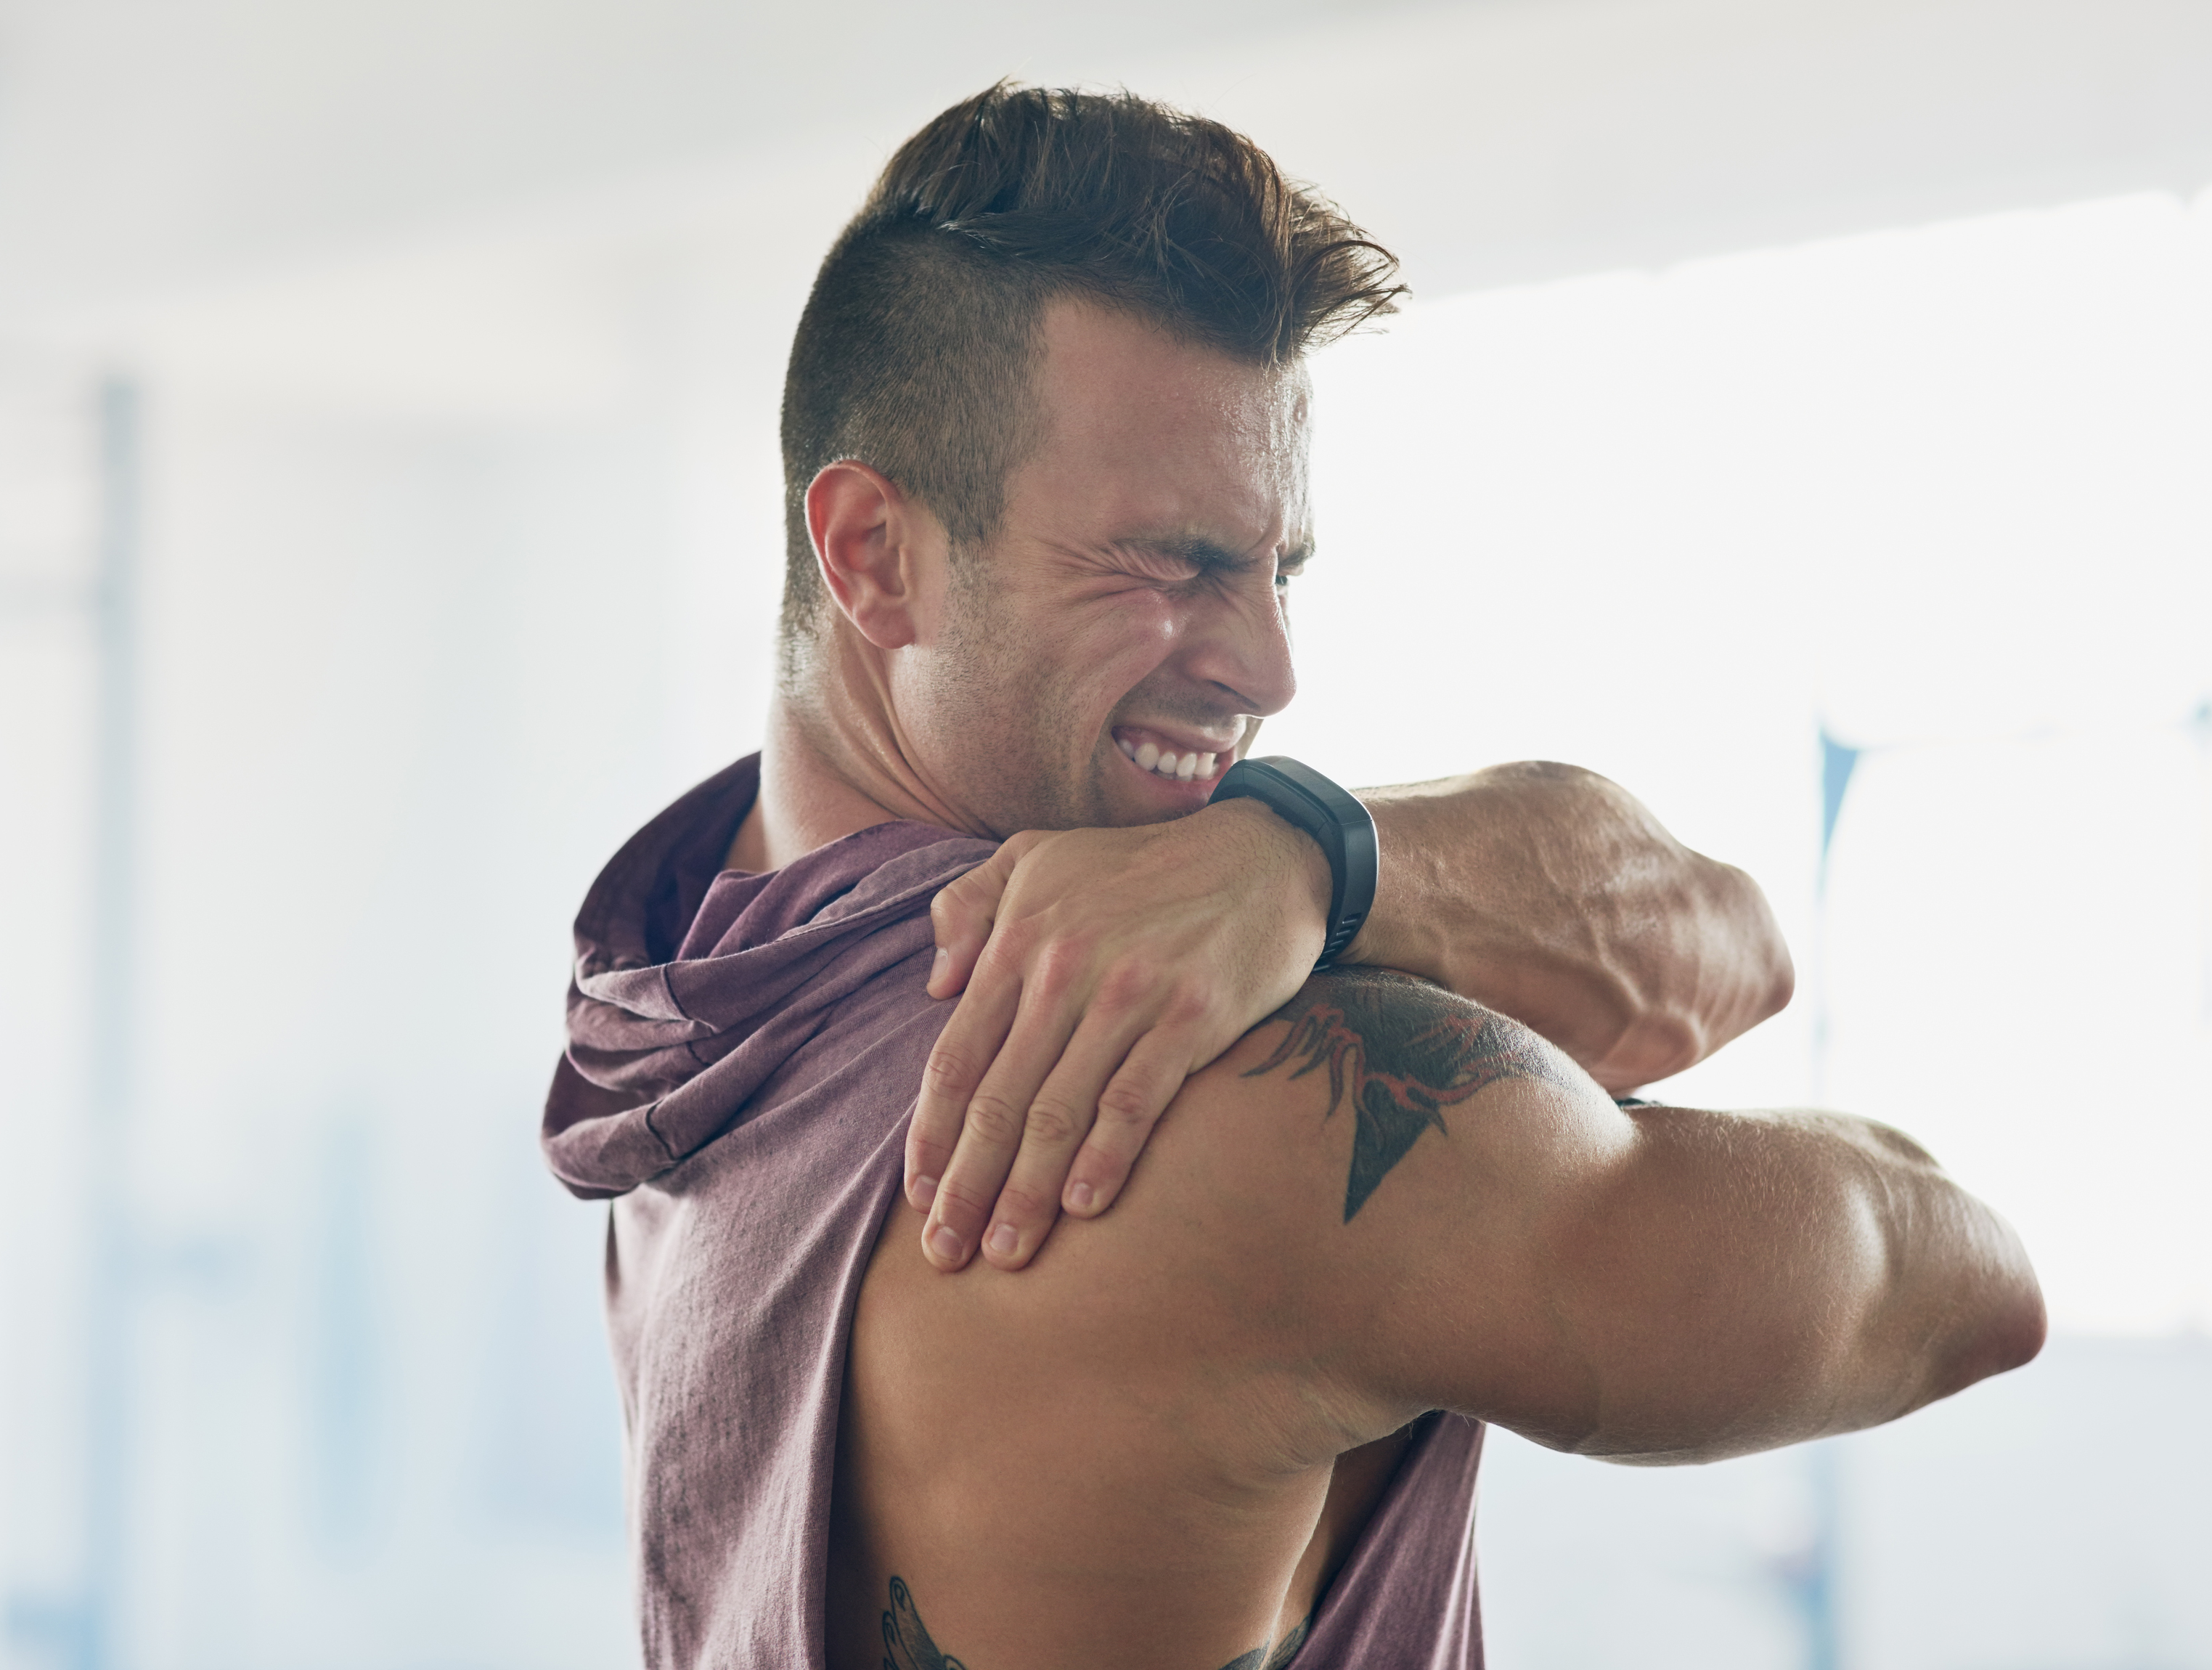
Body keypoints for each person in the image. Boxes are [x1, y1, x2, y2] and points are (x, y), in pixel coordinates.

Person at [544, 85, 2042, 1670]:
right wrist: (1335, 866)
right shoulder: (1222, 1115)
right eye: (1171, 561)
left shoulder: (677, 1037)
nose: (1268, 663)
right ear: (871, 553)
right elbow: (1954, 1273)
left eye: (1278, 567)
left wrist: (1305, 851)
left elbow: (1731, 945)